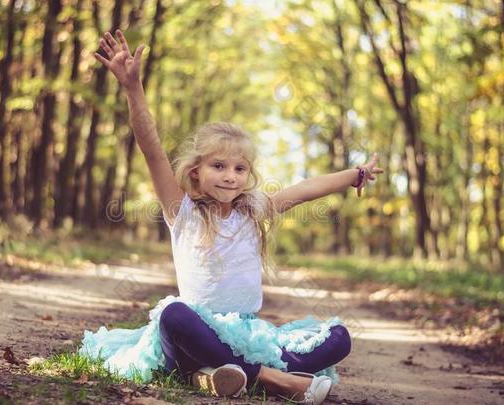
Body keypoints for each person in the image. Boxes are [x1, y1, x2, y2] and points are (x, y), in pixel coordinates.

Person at [81, 30, 384, 404]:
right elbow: (152, 148)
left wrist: (355, 174)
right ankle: (278, 380)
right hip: (194, 333)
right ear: (196, 171)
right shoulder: (183, 210)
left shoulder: (254, 209)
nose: (230, 176)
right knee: (173, 315)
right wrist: (133, 89)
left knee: (339, 337)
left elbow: (306, 188)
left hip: (247, 334)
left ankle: (220, 375)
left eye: (240, 168)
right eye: (219, 165)